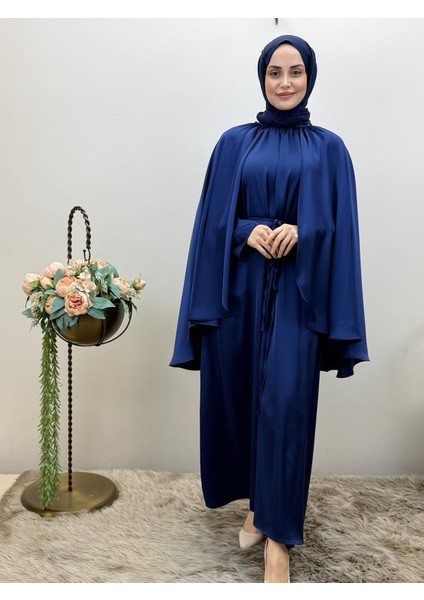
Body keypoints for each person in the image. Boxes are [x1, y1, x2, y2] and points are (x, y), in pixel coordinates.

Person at [170, 34, 369, 583]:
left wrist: (305, 231)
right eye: (274, 72)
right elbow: (211, 219)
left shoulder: (330, 148)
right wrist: (246, 231)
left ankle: (279, 539)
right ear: (262, 77)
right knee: (240, 398)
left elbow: (342, 227)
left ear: (310, 77)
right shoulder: (233, 143)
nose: (285, 82)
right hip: (239, 290)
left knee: (285, 404)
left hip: (299, 295)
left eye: (295, 71)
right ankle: (259, 509)